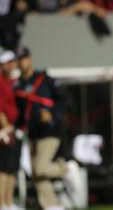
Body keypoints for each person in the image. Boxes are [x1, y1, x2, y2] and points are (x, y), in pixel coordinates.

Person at [13, 46, 69, 210]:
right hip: (33, 133)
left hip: (50, 131)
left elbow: (64, 99)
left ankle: (65, 169)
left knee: (40, 167)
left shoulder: (44, 79)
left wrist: (52, 113)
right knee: (36, 174)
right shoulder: (18, 86)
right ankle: (51, 205)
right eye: (19, 60)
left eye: (24, 59)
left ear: (29, 59)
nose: (22, 63)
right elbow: (20, 113)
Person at [0, 49, 21, 210]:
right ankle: (2, 204)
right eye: (7, 62)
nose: (11, 65)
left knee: (12, 168)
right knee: (3, 169)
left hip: (14, 128)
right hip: (4, 130)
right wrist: (6, 128)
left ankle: (8, 203)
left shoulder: (12, 81)